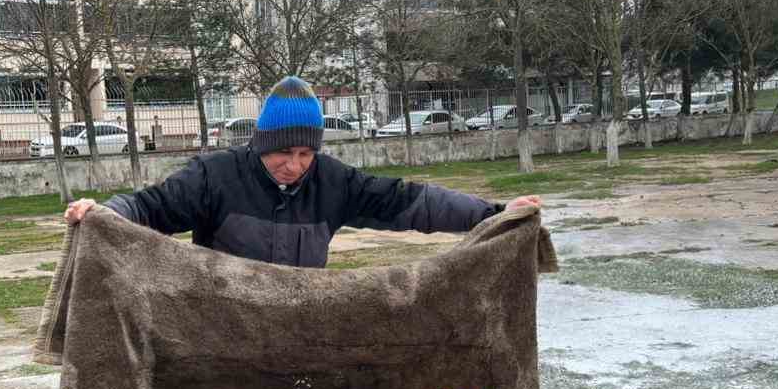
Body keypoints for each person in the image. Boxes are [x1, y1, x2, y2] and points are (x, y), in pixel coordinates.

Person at [64, 76, 542, 265]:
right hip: (220, 333)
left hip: (301, 332)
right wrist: (102, 214)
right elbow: (149, 208)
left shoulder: (333, 182)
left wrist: (495, 214)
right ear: (262, 143)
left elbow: (410, 202)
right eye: (282, 153)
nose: (294, 166)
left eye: (306, 154)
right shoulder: (214, 176)